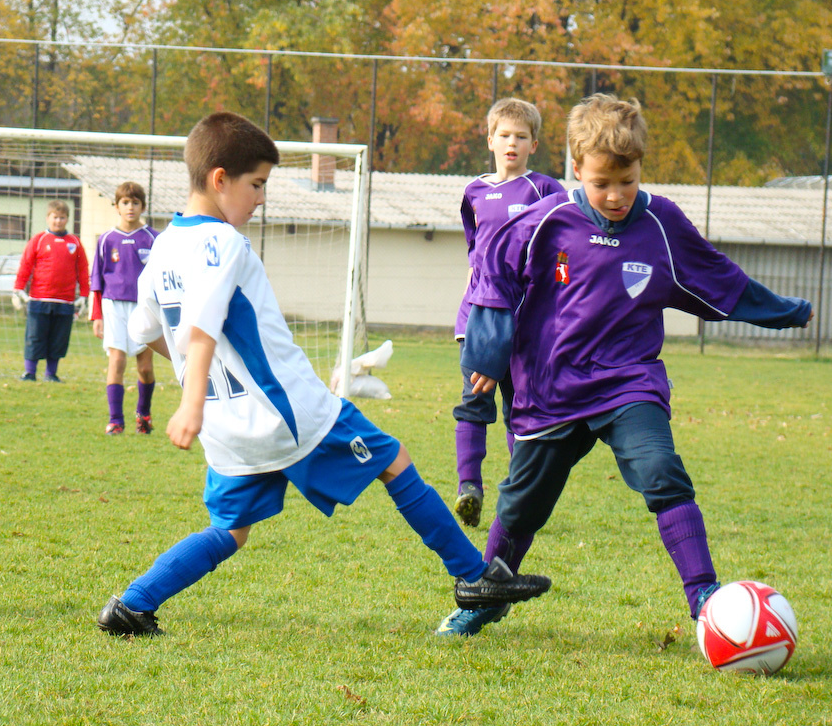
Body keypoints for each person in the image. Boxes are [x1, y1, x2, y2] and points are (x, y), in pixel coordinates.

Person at [96, 111, 552, 637]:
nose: (261, 198)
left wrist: (204, 390)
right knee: (394, 461)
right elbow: (198, 330)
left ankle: (132, 604)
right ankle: (473, 578)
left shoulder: (164, 248)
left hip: (230, 429)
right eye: (257, 185)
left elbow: (150, 333)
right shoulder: (220, 243)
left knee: (230, 530)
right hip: (288, 413)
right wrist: (190, 400)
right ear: (220, 179)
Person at [436, 94, 813, 637]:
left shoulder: (661, 222)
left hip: (628, 382)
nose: (615, 196)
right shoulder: (543, 223)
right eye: (601, 183)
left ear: (641, 168)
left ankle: (704, 597)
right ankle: (489, 596)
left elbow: (718, 276)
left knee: (662, 471)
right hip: (552, 388)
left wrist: (784, 312)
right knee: (520, 503)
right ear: (575, 171)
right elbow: (493, 279)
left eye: (627, 181)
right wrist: (489, 355)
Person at [452, 98, 564, 529]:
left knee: (523, 407)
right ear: (490, 139)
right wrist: (464, 312)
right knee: (474, 401)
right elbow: (475, 255)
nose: (511, 143)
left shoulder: (546, 190)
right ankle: (469, 489)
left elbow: (562, 254)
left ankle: (521, 496)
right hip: (479, 318)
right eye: (504, 135)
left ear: (534, 143)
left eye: (521, 136)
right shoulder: (474, 192)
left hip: (525, 322)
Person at [89, 182, 159, 435]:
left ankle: (144, 413)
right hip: (113, 305)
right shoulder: (107, 239)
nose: (130, 207)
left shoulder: (154, 238)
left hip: (145, 307)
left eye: (135, 202)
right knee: (116, 362)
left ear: (143, 206)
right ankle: (115, 420)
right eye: (125, 202)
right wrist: (96, 315)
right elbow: (96, 279)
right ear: (117, 206)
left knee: (145, 368)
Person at [13, 200, 90, 382]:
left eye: (62, 218)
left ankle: (51, 374)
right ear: (48, 218)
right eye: (55, 217)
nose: (58, 221)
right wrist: (17, 289)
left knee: (58, 340)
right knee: (35, 336)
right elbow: (25, 265)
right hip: (39, 299)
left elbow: (83, 270)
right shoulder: (38, 240)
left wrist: (85, 295)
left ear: (67, 219)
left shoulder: (75, 243)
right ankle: (30, 372)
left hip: (65, 302)